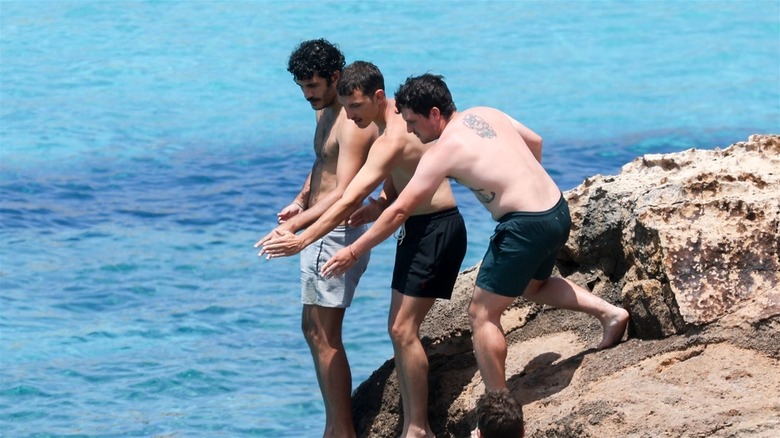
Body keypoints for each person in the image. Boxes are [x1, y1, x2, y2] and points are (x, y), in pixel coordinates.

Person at [318, 73, 630, 393]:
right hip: (556, 210)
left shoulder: (443, 151)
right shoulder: (486, 112)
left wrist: (353, 251)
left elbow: (399, 212)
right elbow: (535, 141)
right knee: (534, 286)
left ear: (435, 114)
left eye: (413, 122)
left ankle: (497, 406)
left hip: (523, 225)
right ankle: (611, 314)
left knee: (482, 313)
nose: (409, 129)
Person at [259, 61, 467, 438]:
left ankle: (416, 428)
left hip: (435, 229)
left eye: (355, 108)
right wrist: (378, 204)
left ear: (378, 97)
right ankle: (413, 426)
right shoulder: (391, 126)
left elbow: (347, 196)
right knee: (397, 329)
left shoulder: (391, 136)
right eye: (346, 108)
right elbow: (402, 185)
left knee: (402, 329)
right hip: (419, 229)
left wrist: (302, 236)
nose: (351, 117)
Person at [255, 39, 377, 438]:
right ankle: (333, 423)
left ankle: (341, 430)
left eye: (313, 85)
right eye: (302, 86)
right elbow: (322, 161)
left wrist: (298, 229)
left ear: (336, 77)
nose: (308, 94)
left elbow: (345, 192)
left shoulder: (352, 122)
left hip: (336, 230)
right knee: (312, 330)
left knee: (326, 335)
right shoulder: (325, 111)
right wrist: (300, 199)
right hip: (320, 224)